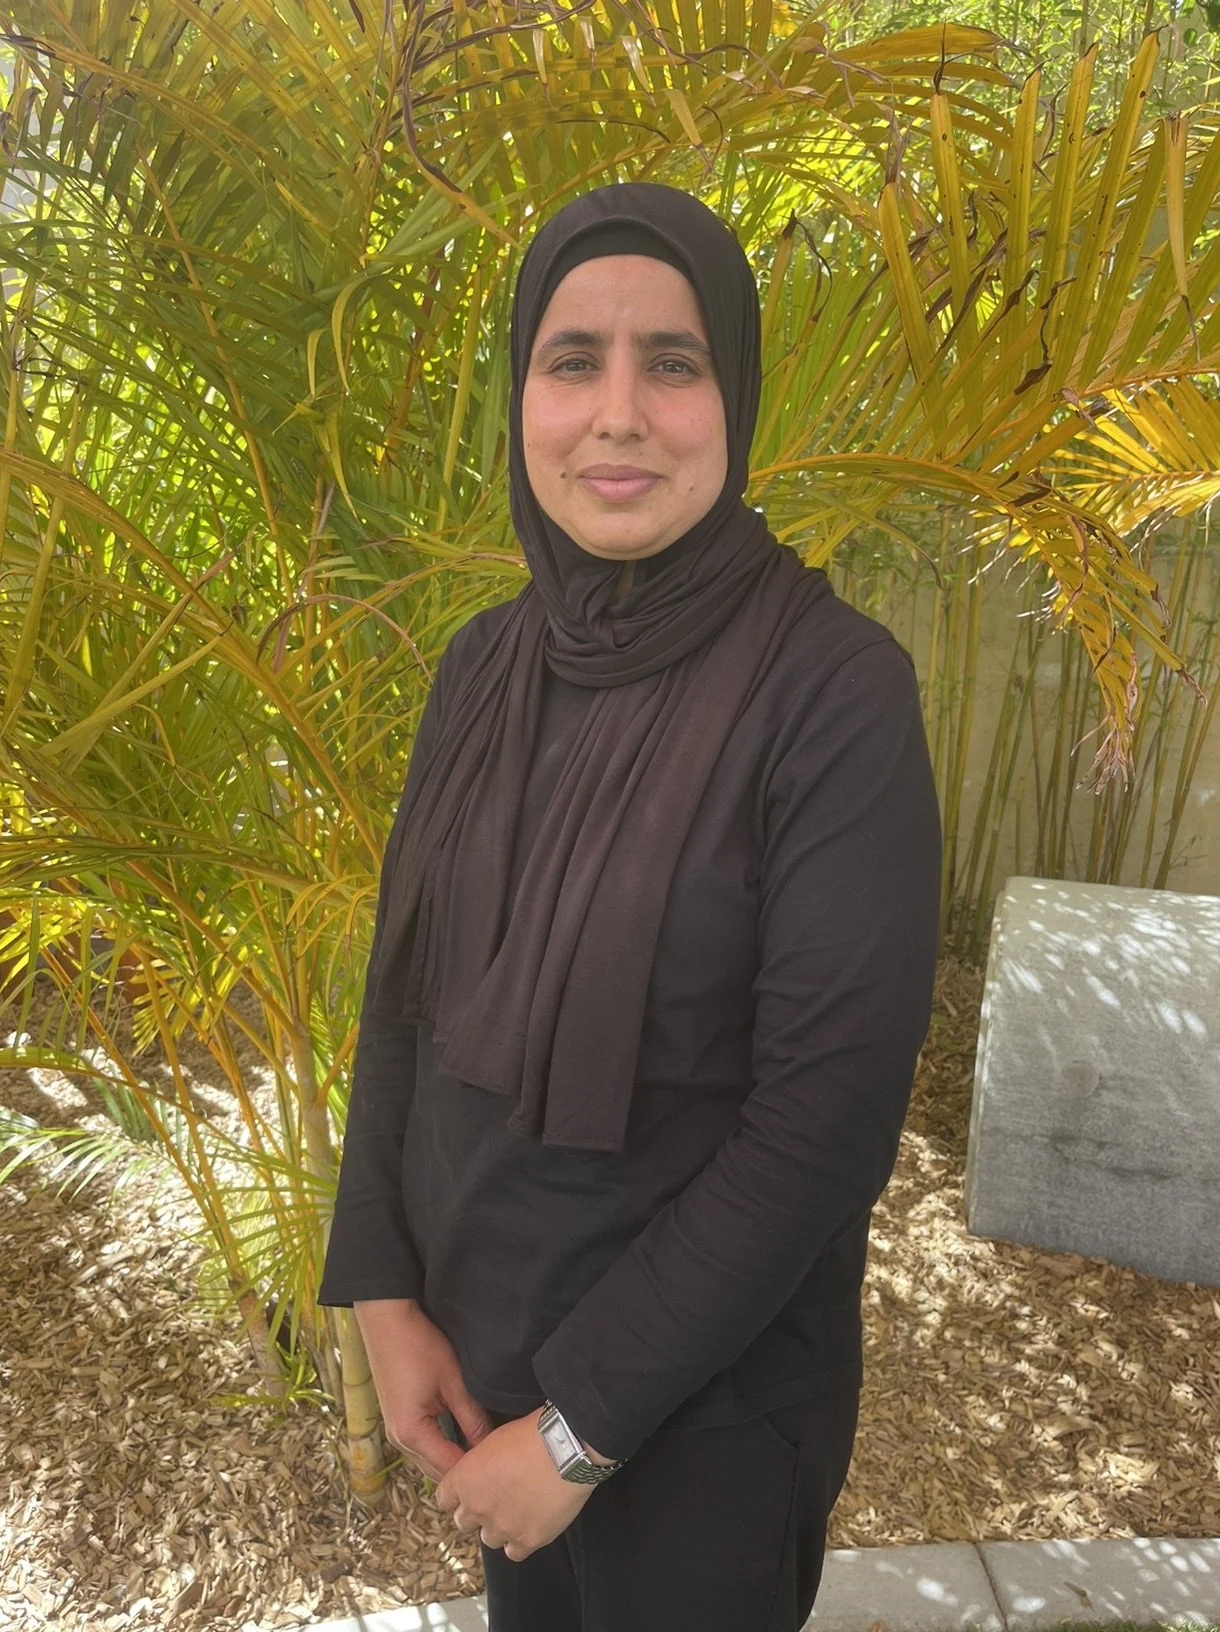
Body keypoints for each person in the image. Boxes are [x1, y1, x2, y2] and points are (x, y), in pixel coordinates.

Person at [318, 181, 942, 1632]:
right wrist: (386, 1290)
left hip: (707, 1413)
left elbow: (823, 1126)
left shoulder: (832, 694)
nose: (618, 413)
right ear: (520, 395)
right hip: (487, 1371)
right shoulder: (483, 667)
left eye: (673, 362)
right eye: (570, 360)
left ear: (734, 396)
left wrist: (581, 1429)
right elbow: (402, 997)